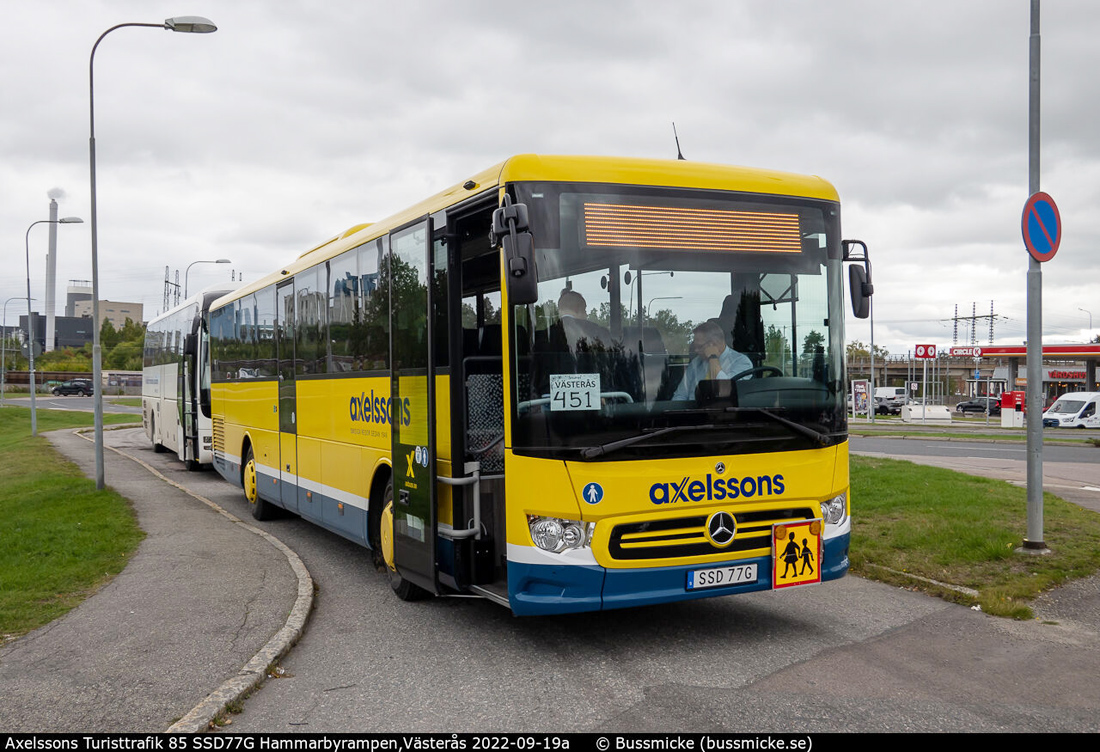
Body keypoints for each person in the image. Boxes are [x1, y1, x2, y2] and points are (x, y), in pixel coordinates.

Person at [672, 320, 752, 401]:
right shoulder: (696, 362)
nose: (696, 350)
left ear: (715, 343)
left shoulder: (741, 362)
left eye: (699, 346)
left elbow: (724, 391)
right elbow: (680, 395)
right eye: (694, 346)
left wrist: (713, 358)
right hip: (691, 410)